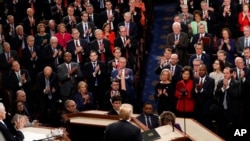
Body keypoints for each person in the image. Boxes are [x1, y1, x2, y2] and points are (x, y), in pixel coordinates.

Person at [193, 64, 215, 129]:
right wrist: (196, 90)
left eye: (203, 70)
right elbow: (193, 93)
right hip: (197, 108)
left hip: (206, 108)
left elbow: (210, 94)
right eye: (200, 70)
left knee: (206, 126)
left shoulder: (211, 80)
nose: (201, 71)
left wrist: (201, 89)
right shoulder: (195, 79)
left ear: (206, 71)